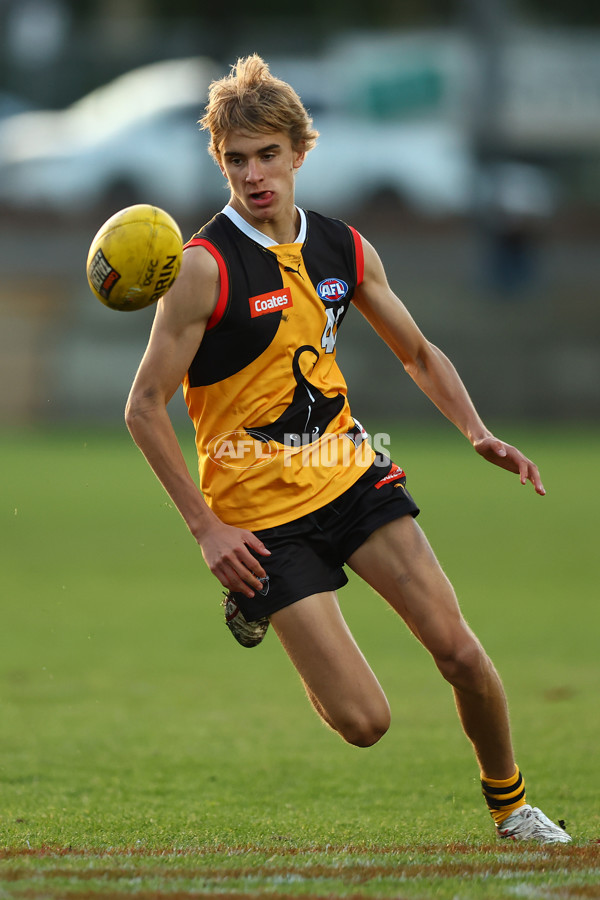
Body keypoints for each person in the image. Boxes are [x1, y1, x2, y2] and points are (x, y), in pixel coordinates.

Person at [125, 54, 570, 844]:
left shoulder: (344, 249)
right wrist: (206, 529)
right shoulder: (200, 268)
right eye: (236, 160)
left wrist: (476, 431)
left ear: (301, 152)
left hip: (350, 474)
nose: (254, 175)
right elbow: (143, 409)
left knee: (460, 651)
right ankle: (254, 600)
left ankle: (513, 808)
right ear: (219, 163)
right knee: (365, 723)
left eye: (268, 155)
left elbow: (421, 353)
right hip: (260, 516)